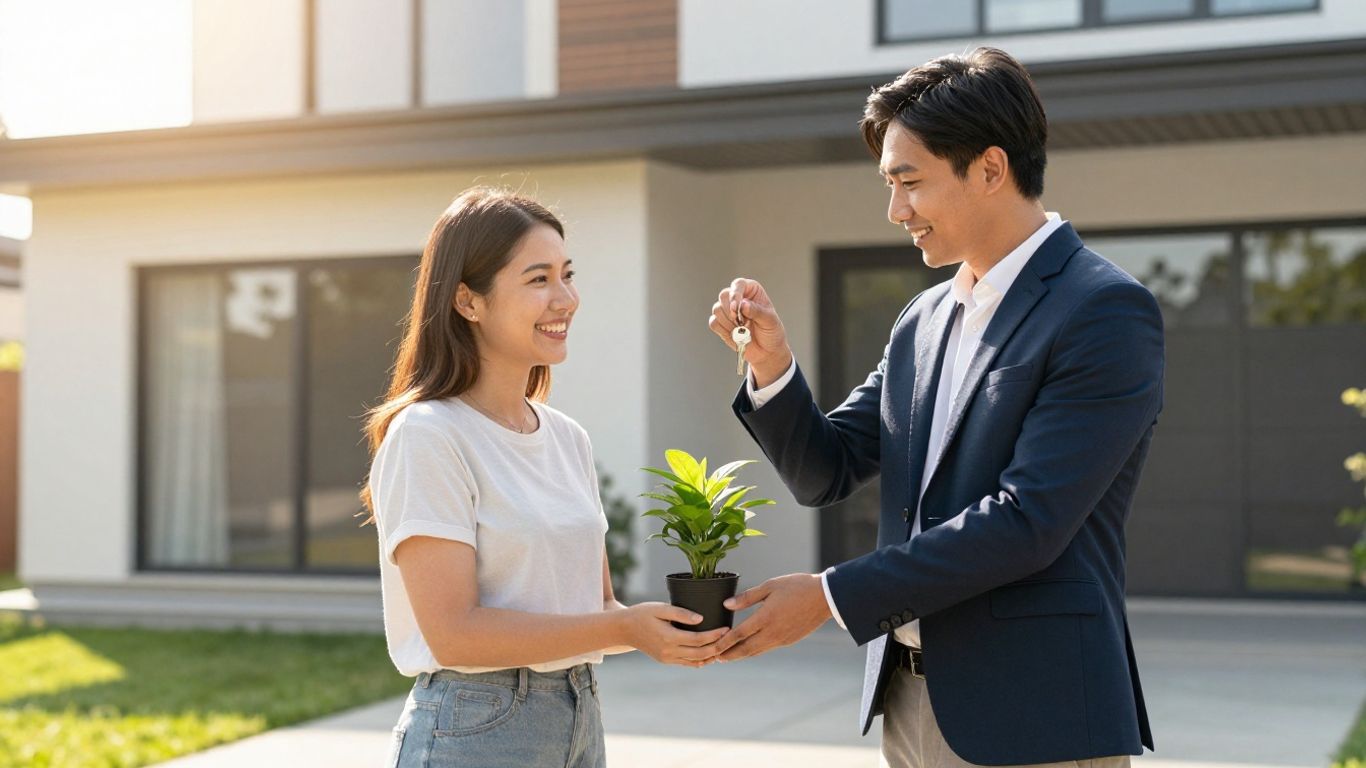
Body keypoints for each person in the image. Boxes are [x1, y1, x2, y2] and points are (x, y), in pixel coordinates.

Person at [706, 48, 1162, 768]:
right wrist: (772, 367)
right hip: (909, 704)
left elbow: (1028, 522)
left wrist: (829, 596)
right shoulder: (924, 317)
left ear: (988, 167)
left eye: (909, 183)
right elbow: (826, 470)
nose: (896, 211)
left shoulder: (1103, 310)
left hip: (1034, 715)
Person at [361, 187, 727, 768]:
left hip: (577, 713)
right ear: (467, 301)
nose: (566, 299)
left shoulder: (565, 437)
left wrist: (669, 629)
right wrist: (629, 630)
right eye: (538, 280)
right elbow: (453, 633)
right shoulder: (428, 434)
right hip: (476, 728)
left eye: (567, 274)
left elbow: (595, 608)